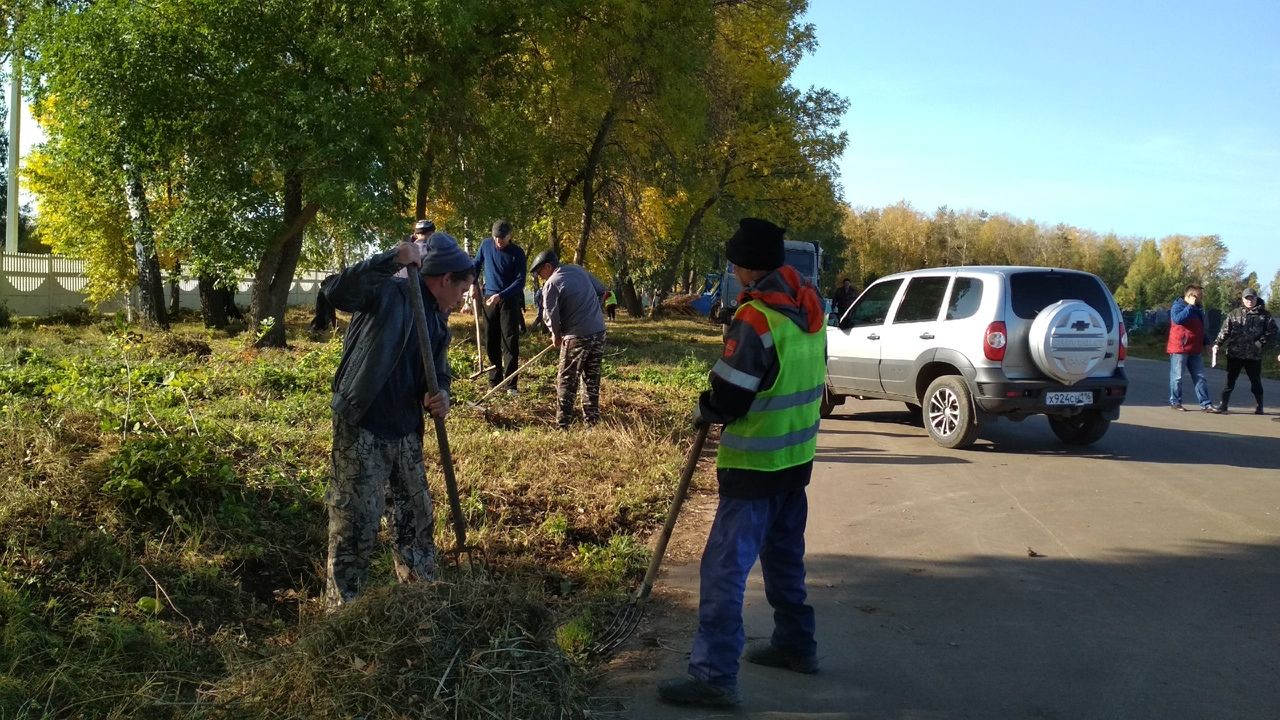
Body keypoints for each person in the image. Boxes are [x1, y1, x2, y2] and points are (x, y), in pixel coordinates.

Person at [658, 218, 826, 709]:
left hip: (754, 469)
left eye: (735, 260)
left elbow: (731, 396)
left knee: (724, 571)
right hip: (795, 464)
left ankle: (713, 675)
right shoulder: (811, 310)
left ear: (748, 266)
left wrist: (704, 407)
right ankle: (797, 644)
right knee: (784, 559)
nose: (732, 268)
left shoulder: (756, 319)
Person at [319, 232, 476, 605]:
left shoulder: (437, 322)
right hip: (365, 424)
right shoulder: (388, 293)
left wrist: (441, 394)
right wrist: (391, 258)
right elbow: (336, 292)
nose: (461, 300)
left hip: (406, 431)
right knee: (356, 524)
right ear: (443, 279)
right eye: (462, 289)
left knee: (416, 517)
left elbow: (437, 372)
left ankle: (420, 597)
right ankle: (343, 611)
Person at [530, 249, 608, 428]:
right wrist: (590, 311)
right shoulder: (578, 270)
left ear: (548, 266)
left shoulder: (551, 283)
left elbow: (550, 315)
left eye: (539, 271)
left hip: (577, 336)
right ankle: (592, 423)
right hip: (599, 331)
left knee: (566, 379)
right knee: (591, 378)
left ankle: (563, 424)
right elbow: (602, 291)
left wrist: (556, 335)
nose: (539, 276)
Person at [473, 219, 527, 394]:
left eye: (502, 238)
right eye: (495, 237)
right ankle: (494, 380)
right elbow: (475, 265)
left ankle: (511, 384)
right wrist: (473, 284)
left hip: (509, 299)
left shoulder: (517, 253)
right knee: (491, 339)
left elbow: (520, 282)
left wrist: (501, 295)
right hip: (489, 298)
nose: (498, 241)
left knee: (510, 340)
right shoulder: (485, 246)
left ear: (510, 236)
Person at [1213, 288, 1277, 414]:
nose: (1249, 301)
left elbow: (1273, 331)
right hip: (1234, 353)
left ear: (1256, 298)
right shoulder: (1234, 313)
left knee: (1255, 381)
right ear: (1242, 299)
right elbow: (1225, 331)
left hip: (1253, 355)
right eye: (1247, 298)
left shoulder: (1264, 315)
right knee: (1229, 381)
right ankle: (1223, 405)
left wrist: (1261, 342)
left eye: (1252, 298)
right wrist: (1217, 344)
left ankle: (1259, 406)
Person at [1167, 284, 1219, 413]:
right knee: (1177, 377)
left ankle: (1206, 404)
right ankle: (1176, 402)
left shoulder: (1198, 308)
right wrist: (1189, 306)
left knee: (1200, 376)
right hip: (1180, 348)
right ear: (1190, 296)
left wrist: (1207, 342)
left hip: (1195, 349)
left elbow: (1201, 328)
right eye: (1199, 296)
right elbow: (1178, 319)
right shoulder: (1178, 306)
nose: (1200, 299)